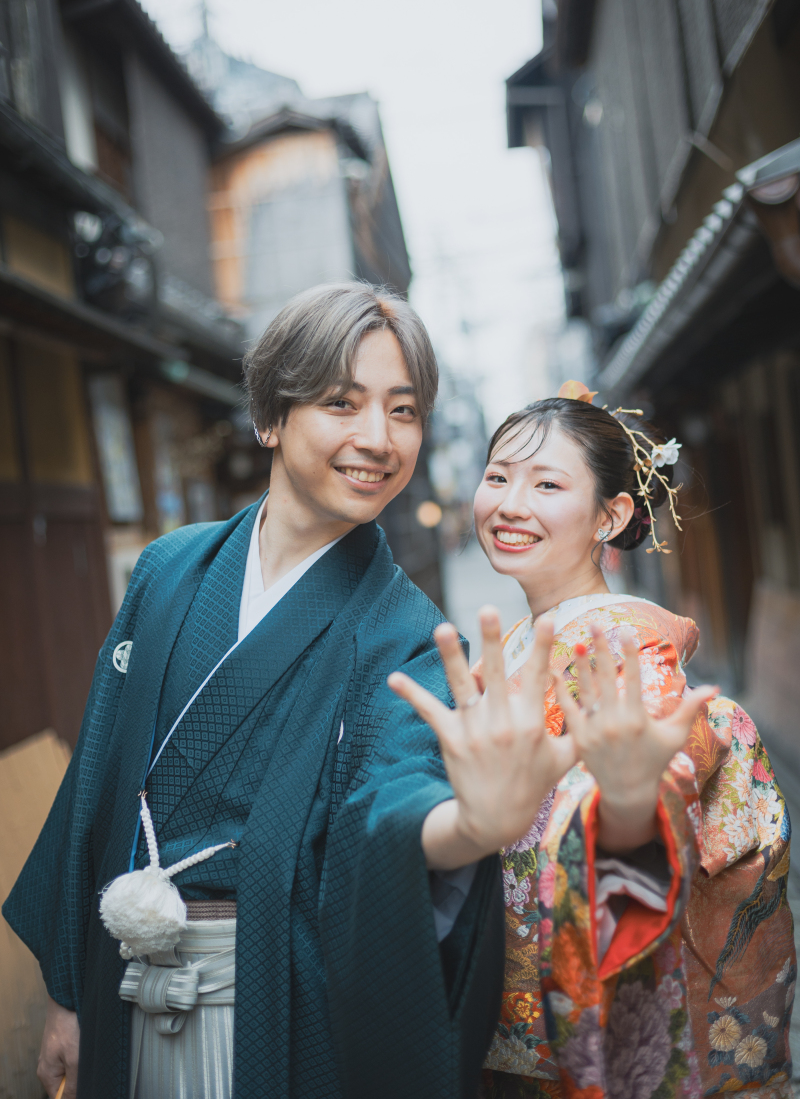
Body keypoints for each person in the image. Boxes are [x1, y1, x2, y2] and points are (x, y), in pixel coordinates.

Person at [2, 292, 688, 1099]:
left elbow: (393, 794)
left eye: (404, 411)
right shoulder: (167, 570)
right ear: (270, 417)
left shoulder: (406, 631)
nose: (378, 439)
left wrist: (469, 825)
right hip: (116, 982)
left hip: (271, 1009)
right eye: (341, 403)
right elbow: (98, 780)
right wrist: (67, 994)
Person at [437, 382, 794, 1099]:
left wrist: (624, 806)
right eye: (498, 477)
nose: (510, 504)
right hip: (520, 1012)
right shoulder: (524, 639)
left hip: (585, 1019)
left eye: (546, 484)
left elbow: (657, 802)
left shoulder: (624, 645)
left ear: (612, 515)